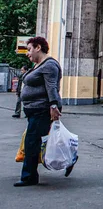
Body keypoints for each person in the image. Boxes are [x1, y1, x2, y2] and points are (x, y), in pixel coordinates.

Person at [14, 36, 73, 187]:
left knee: (32, 142)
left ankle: (29, 176)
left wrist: (53, 105)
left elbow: (51, 87)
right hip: (34, 110)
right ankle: (70, 156)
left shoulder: (49, 65)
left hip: (41, 109)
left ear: (38, 47)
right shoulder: (39, 65)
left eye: (29, 50)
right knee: (42, 141)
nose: (27, 53)